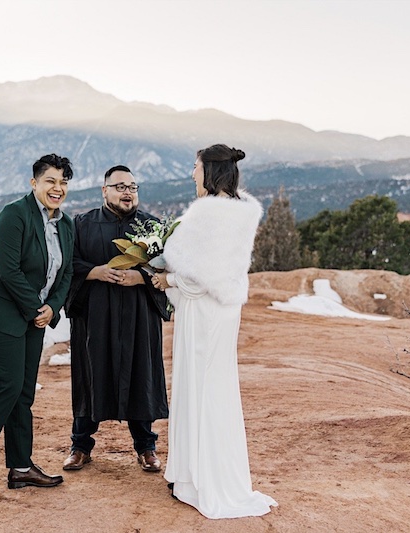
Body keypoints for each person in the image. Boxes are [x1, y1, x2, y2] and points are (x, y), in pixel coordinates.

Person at [152, 144, 277, 518]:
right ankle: (209, 474)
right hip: (224, 314)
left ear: (211, 171)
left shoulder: (207, 212)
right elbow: (224, 269)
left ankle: (194, 478)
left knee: (197, 389)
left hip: (203, 314)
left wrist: (166, 278)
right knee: (218, 389)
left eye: (195, 167)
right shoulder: (242, 213)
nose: (192, 174)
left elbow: (197, 278)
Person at [0, 154, 74, 497]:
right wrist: (36, 307)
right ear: (34, 182)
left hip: (35, 316)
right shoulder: (14, 214)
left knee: (24, 392)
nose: (58, 188)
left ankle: (21, 468)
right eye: (51, 181)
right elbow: (8, 269)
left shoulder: (66, 225)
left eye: (64, 182)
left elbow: (65, 274)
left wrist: (52, 307)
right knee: (7, 385)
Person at [63, 165, 170, 473]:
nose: (128, 192)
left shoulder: (151, 227)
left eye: (133, 187)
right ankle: (80, 445)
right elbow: (68, 264)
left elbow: (168, 269)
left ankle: (146, 447)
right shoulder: (82, 225)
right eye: (120, 186)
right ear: (104, 190)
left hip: (138, 316)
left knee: (140, 374)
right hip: (95, 316)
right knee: (91, 374)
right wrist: (94, 272)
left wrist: (141, 278)